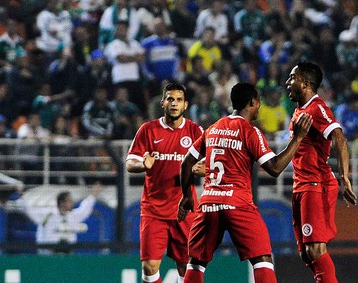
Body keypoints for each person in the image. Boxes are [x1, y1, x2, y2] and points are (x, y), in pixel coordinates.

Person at [178, 82, 313, 283]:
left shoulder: (213, 129)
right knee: (262, 259)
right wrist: (298, 138)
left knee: (196, 261)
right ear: (252, 102)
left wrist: (187, 196)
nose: (259, 106)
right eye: (258, 102)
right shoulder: (249, 131)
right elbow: (274, 168)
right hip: (237, 203)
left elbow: (186, 163)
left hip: (209, 203)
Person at [284, 61, 357, 283]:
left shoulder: (317, 108)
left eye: (292, 78)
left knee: (315, 249)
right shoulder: (300, 110)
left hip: (316, 184)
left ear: (305, 84)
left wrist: (345, 177)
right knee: (307, 253)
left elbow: (340, 138)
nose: (288, 83)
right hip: (302, 185)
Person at [126, 83, 204, 283]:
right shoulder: (148, 130)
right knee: (149, 267)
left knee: (186, 266)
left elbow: (210, 164)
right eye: (170, 99)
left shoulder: (195, 131)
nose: (174, 103)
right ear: (162, 103)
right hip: (154, 209)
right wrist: (143, 164)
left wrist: (201, 168)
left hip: (185, 209)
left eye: (179, 100)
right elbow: (129, 163)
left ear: (185, 105)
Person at [18, 182, 102, 254]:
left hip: (67, 255)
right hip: (49, 256)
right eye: (69, 200)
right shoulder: (48, 214)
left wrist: (93, 194)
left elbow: (85, 208)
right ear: (62, 203)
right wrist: (21, 195)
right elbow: (29, 211)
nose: (72, 202)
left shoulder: (73, 216)